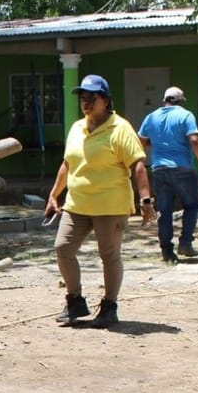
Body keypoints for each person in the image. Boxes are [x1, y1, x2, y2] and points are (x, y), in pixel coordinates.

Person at [46, 74, 154, 328]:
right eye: (83, 98)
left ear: (105, 100)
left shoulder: (120, 128)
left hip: (110, 205)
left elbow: (138, 164)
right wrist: (54, 193)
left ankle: (109, 307)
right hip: (77, 204)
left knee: (109, 255)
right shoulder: (76, 128)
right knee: (63, 248)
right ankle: (75, 301)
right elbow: (67, 163)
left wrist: (146, 200)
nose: (86, 102)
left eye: (91, 98)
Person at [137, 86, 198, 263]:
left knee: (164, 211)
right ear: (180, 101)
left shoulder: (151, 117)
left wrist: (156, 144)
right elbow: (194, 140)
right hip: (183, 168)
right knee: (191, 206)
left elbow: (140, 140)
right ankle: (185, 242)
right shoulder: (185, 115)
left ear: (164, 100)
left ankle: (167, 251)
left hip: (159, 168)